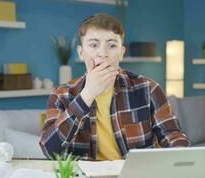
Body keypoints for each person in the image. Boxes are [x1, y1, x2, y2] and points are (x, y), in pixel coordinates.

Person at [40, 13, 190, 160]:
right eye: (93, 45)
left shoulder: (148, 88)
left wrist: (180, 158)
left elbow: (173, 135)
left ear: (121, 52)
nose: (103, 53)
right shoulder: (61, 95)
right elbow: (49, 150)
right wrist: (86, 95)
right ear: (81, 53)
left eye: (112, 45)